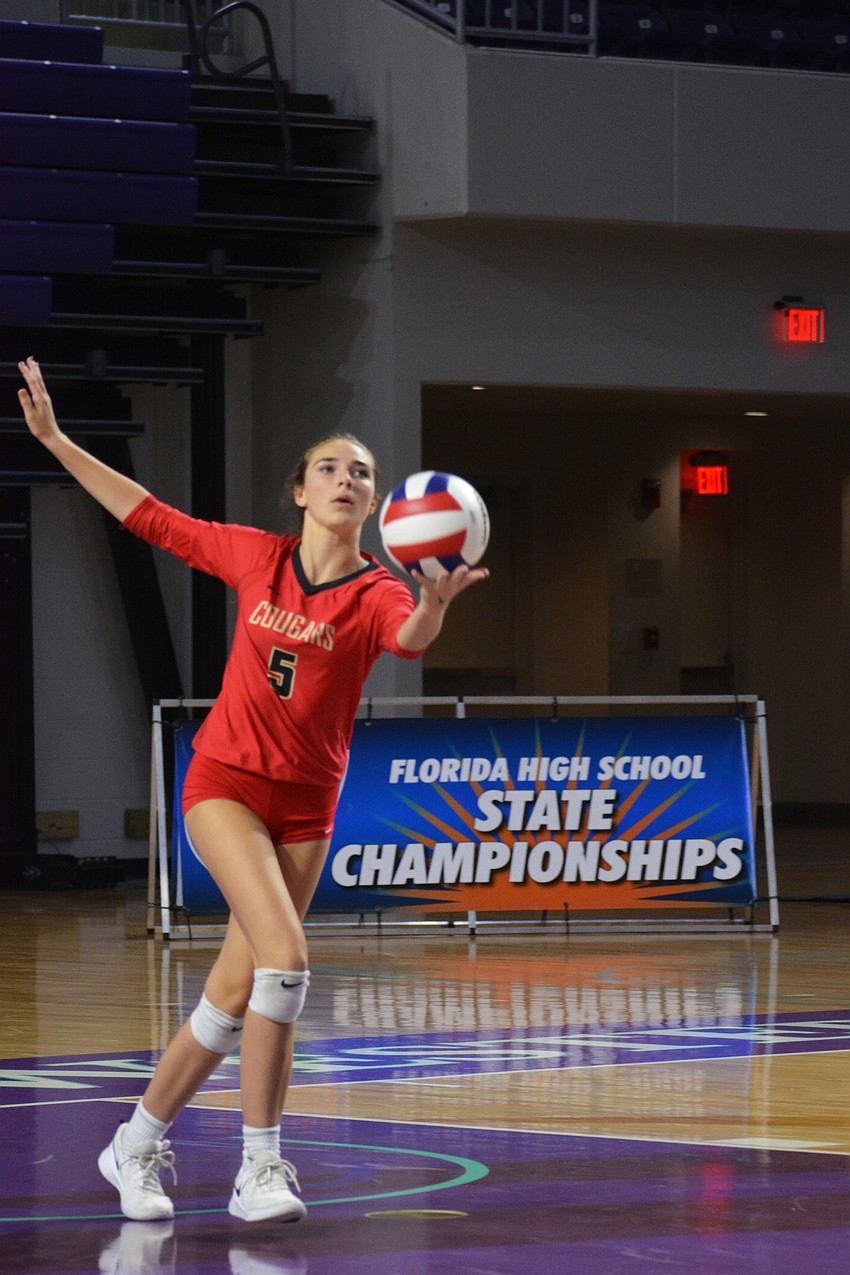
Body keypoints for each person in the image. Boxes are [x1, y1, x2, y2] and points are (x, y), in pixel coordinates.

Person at [17, 356, 488, 1225]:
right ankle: (260, 1165)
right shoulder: (256, 557)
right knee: (288, 959)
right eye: (331, 468)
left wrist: (436, 602)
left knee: (236, 994)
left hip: (307, 807)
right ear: (299, 492)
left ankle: (133, 1141)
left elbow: (412, 638)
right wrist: (55, 440)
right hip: (224, 784)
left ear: (378, 505)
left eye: (363, 473)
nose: (348, 478)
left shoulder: (380, 589)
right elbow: (148, 516)